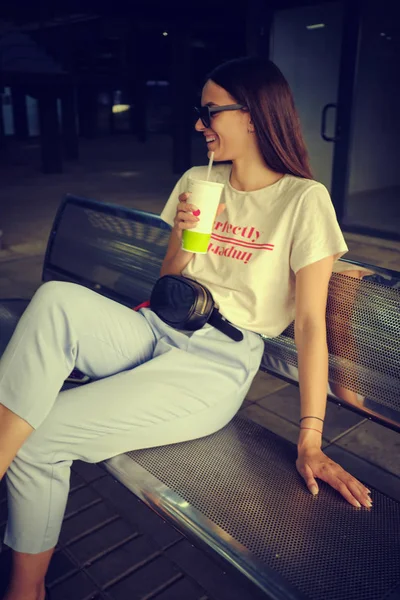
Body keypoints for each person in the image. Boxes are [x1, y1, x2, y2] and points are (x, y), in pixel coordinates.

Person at [0, 56, 372, 600]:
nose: (199, 124)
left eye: (209, 111)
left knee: (45, 435)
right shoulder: (199, 180)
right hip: (159, 324)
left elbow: (311, 324)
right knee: (57, 299)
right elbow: (171, 278)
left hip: (217, 361)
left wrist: (310, 441)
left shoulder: (303, 200)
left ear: (252, 115)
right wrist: (180, 238)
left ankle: (23, 591)